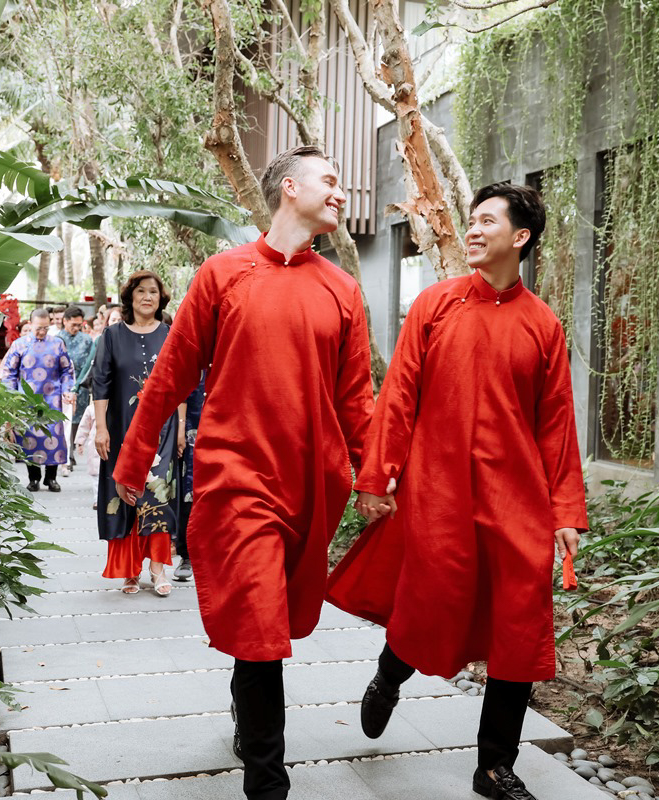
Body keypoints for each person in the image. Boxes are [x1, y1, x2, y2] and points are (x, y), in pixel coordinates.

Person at [112, 146, 372, 800]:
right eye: (330, 181)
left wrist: (377, 475)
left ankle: (245, 704)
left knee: (266, 625)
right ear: (290, 188)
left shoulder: (342, 289)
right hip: (236, 479)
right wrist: (134, 456)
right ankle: (267, 781)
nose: (341, 193)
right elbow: (171, 373)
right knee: (260, 626)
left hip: (312, 485)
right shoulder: (222, 273)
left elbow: (356, 400)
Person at [326, 183, 588, 800]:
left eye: (487, 221)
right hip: (438, 496)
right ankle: (389, 676)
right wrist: (376, 479)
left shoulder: (543, 324)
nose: (472, 230)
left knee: (519, 629)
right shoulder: (434, 305)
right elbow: (397, 399)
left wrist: (565, 512)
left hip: (517, 503)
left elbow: (556, 425)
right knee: (431, 607)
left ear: (520, 237)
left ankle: (495, 766)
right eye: (471, 220)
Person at [92, 271, 181, 597]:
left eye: (153, 292)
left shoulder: (170, 334)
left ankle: (157, 568)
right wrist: (101, 428)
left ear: (161, 298)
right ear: (130, 297)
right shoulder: (112, 335)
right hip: (120, 430)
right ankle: (129, 570)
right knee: (124, 493)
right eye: (141, 291)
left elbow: (179, 384)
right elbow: (100, 383)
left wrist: (181, 428)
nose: (147, 297)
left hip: (162, 430)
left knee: (158, 493)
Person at [0, 307, 76, 492]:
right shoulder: (19, 345)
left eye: (45, 328)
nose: (42, 332)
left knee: (54, 438)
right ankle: (33, 478)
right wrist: (11, 396)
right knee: (29, 438)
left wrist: (67, 389)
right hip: (27, 400)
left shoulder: (57, 344)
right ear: (30, 324)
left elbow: (67, 370)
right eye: (38, 328)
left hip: (52, 399)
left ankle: (51, 478)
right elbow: (9, 372)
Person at [173, 372, 206, 582]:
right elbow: (182, 389)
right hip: (193, 426)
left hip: (229, 426)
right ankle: (186, 555)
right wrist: (180, 427)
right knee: (189, 489)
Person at [57, 305, 96, 473]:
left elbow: (89, 364)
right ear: (65, 321)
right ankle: (67, 455)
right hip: (62, 386)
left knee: (78, 420)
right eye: (73, 324)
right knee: (64, 419)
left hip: (81, 385)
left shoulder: (86, 340)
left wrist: (79, 384)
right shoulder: (57, 339)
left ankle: (72, 450)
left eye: (79, 325)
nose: (76, 328)